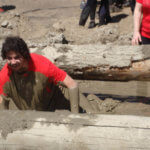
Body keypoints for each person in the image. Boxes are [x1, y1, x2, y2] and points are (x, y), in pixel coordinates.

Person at [0, 36, 95, 113]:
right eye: (9, 58)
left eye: (17, 57)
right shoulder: (4, 75)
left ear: (25, 56)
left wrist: (75, 117)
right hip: (37, 113)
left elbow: (72, 84)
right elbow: (2, 101)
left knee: (93, 115)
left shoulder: (42, 65)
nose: (13, 62)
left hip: (62, 102)